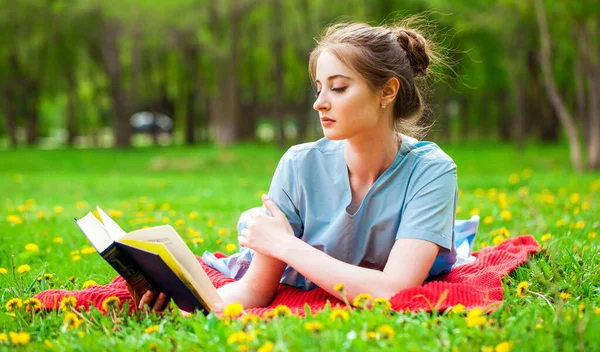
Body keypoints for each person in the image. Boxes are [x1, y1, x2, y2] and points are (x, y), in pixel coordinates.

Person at [128, 21, 479, 313]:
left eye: (338, 88)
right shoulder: (298, 164)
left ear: (387, 92)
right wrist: (183, 303)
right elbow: (255, 292)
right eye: (318, 88)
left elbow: (394, 292)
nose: (320, 103)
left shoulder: (432, 171)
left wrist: (285, 246)